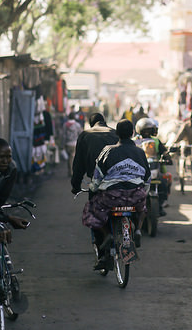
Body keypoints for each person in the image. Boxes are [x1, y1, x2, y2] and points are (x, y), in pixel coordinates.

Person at [82, 119, 150, 269]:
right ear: (132, 133)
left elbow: (98, 175)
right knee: (143, 208)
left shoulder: (108, 150)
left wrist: (93, 188)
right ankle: (138, 229)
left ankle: (107, 234)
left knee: (91, 210)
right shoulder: (140, 152)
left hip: (112, 197)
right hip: (135, 197)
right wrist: (142, 191)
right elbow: (147, 177)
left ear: (117, 133)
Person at [71, 113, 119, 196]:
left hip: (96, 181)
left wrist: (76, 185)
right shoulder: (115, 133)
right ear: (104, 122)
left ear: (91, 124)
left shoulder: (85, 135)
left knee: (93, 206)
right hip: (117, 178)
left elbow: (79, 163)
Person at [135, 117, 171, 216]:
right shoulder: (135, 141)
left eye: (149, 130)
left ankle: (160, 206)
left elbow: (164, 151)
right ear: (140, 130)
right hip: (138, 170)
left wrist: (167, 157)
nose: (147, 132)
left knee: (163, 182)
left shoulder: (156, 141)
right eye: (145, 130)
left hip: (153, 169)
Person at [62, 112, 83, 178]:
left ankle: (70, 171)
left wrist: (63, 144)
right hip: (75, 143)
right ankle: (73, 171)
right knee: (73, 158)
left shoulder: (65, 125)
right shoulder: (77, 125)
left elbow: (63, 135)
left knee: (69, 159)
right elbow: (80, 134)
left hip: (67, 143)